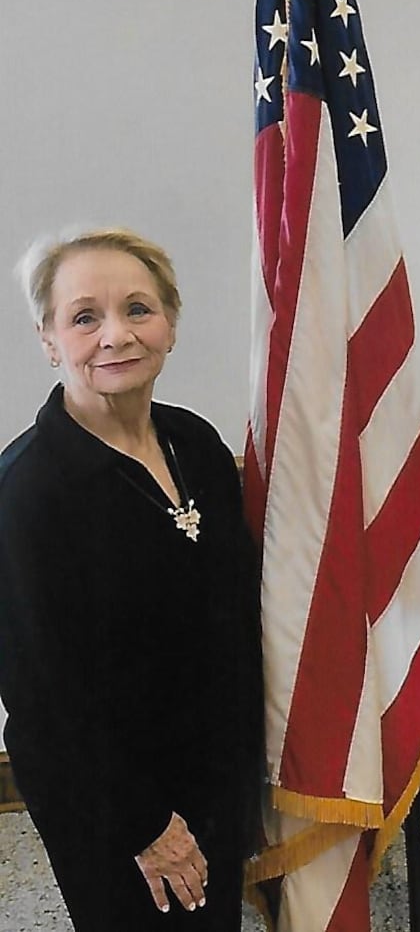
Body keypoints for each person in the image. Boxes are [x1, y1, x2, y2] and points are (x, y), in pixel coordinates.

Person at [0, 228, 264, 932]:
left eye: (138, 309)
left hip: (212, 770)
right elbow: (44, 697)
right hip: (111, 799)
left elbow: (234, 614)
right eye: (85, 317)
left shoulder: (196, 443)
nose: (116, 334)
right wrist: (146, 825)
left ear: (170, 324)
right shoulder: (32, 489)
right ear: (49, 339)